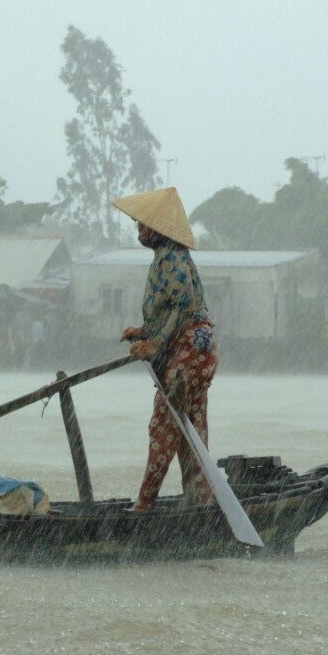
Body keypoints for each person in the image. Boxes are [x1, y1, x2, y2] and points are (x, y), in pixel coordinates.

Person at [112, 187, 218, 511]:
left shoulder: (171, 256)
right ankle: (201, 503)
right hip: (198, 346)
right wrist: (142, 331)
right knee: (192, 429)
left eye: (143, 225)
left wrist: (155, 343)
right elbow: (172, 308)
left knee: (165, 423)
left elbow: (184, 308)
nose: (139, 230)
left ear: (158, 228)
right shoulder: (166, 256)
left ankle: (145, 504)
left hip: (191, 348)